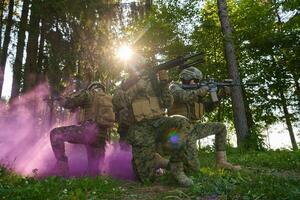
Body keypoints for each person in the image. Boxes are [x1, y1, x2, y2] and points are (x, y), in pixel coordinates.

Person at [112, 58, 194, 187]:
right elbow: (118, 103)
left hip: (160, 122)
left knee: (182, 122)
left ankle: (177, 168)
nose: (138, 69)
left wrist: (164, 84)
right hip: (140, 129)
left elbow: (167, 103)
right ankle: (157, 161)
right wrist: (136, 88)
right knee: (146, 179)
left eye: (141, 67)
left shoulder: (154, 82)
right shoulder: (124, 85)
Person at [168, 67, 241, 172]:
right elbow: (181, 96)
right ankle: (164, 163)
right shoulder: (174, 87)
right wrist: (200, 91)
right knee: (193, 169)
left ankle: (221, 162)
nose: (197, 83)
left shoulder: (195, 92)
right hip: (179, 132)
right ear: (187, 78)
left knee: (221, 127)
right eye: (196, 80)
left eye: (198, 81)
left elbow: (208, 108)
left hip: (193, 129)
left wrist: (219, 95)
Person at [50, 82, 115, 176]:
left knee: (55, 134)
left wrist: (58, 97)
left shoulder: (89, 94)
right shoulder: (109, 99)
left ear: (91, 88)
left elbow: (69, 103)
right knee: (94, 173)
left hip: (88, 132)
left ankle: (62, 166)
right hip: (101, 137)